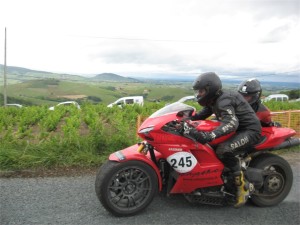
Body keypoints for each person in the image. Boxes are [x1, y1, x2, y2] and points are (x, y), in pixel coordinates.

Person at [186, 72, 262, 208]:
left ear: (210, 89)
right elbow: (201, 114)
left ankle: (242, 188)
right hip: (239, 130)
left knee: (224, 149)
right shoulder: (214, 100)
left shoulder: (223, 101)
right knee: (212, 146)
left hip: (250, 130)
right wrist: (184, 120)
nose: (199, 94)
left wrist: (211, 135)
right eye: (198, 91)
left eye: (201, 91)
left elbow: (232, 122)